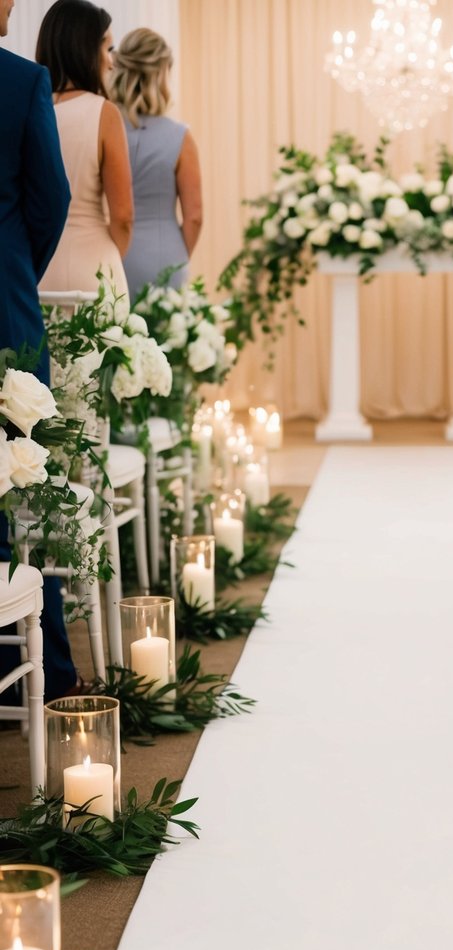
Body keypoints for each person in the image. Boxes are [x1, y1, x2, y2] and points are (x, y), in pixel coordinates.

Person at [0, 0, 81, 700]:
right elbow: (49, 199)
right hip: (5, 307)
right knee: (24, 482)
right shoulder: (23, 81)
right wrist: (17, 264)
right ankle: (39, 669)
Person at [36, 0, 133, 302]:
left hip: (40, 270)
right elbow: (123, 216)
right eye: (107, 49)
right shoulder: (104, 113)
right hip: (95, 271)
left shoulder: (30, 109)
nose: (111, 61)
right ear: (86, 51)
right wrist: (110, 256)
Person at [108, 27, 203, 301]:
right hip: (165, 257)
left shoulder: (105, 128)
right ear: (162, 74)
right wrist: (177, 256)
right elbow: (194, 215)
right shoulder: (180, 137)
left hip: (113, 256)